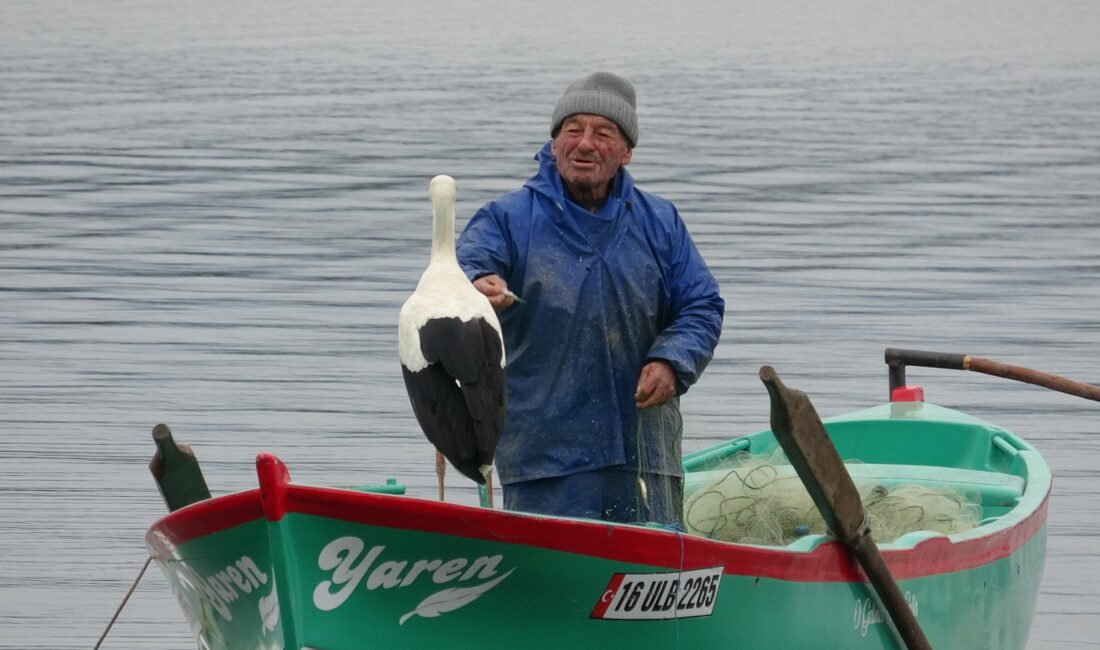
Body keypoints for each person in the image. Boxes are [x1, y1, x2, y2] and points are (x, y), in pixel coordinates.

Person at [456, 71, 724, 526]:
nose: (584, 144)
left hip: (647, 455)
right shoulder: (505, 218)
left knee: (652, 562)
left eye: (603, 133)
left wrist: (672, 361)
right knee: (550, 563)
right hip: (546, 460)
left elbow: (701, 306)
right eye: (572, 129)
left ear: (626, 152)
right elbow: (461, 267)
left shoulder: (660, 221)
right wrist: (478, 283)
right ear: (554, 142)